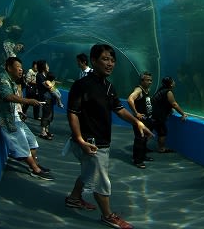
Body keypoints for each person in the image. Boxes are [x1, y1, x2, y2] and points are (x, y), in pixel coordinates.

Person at [65, 43, 153, 228]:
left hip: (100, 141)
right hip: (90, 142)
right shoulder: (82, 85)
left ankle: (74, 198)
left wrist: (137, 122)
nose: (110, 64)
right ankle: (107, 215)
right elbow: (72, 112)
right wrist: (80, 139)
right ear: (94, 60)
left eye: (113, 60)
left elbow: (119, 110)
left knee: (88, 172)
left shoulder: (108, 86)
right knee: (101, 180)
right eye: (105, 59)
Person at [0, 56, 52, 180]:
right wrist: (28, 101)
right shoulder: (2, 78)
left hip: (14, 115)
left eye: (21, 68)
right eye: (18, 67)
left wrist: (20, 111)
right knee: (21, 143)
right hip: (5, 118)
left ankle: (35, 164)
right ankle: (35, 169)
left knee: (32, 140)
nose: (21, 70)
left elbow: (11, 99)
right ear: (8, 68)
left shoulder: (11, 81)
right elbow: (7, 96)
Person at [151, 76, 187, 153]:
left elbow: (162, 102)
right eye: (173, 81)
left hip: (152, 114)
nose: (174, 82)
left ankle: (143, 147)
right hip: (158, 116)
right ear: (170, 84)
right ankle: (161, 149)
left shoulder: (160, 90)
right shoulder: (168, 92)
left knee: (153, 131)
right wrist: (183, 114)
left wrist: (169, 109)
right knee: (162, 132)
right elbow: (174, 104)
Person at [127, 71, 154, 168]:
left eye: (151, 80)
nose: (150, 82)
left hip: (147, 119)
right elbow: (130, 99)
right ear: (142, 81)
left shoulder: (147, 90)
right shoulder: (139, 90)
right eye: (147, 80)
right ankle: (137, 160)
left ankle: (143, 156)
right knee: (140, 139)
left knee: (144, 139)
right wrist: (136, 113)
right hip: (140, 120)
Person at [36, 59, 54, 139]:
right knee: (46, 114)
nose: (48, 67)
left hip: (49, 97)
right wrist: (52, 84)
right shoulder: (39, 75)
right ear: (43, 66)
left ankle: (46, 130)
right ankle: (43, 132)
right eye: (47, 65)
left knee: (50, 114)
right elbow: (48, 86)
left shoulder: (45, 76)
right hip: (44, 97)